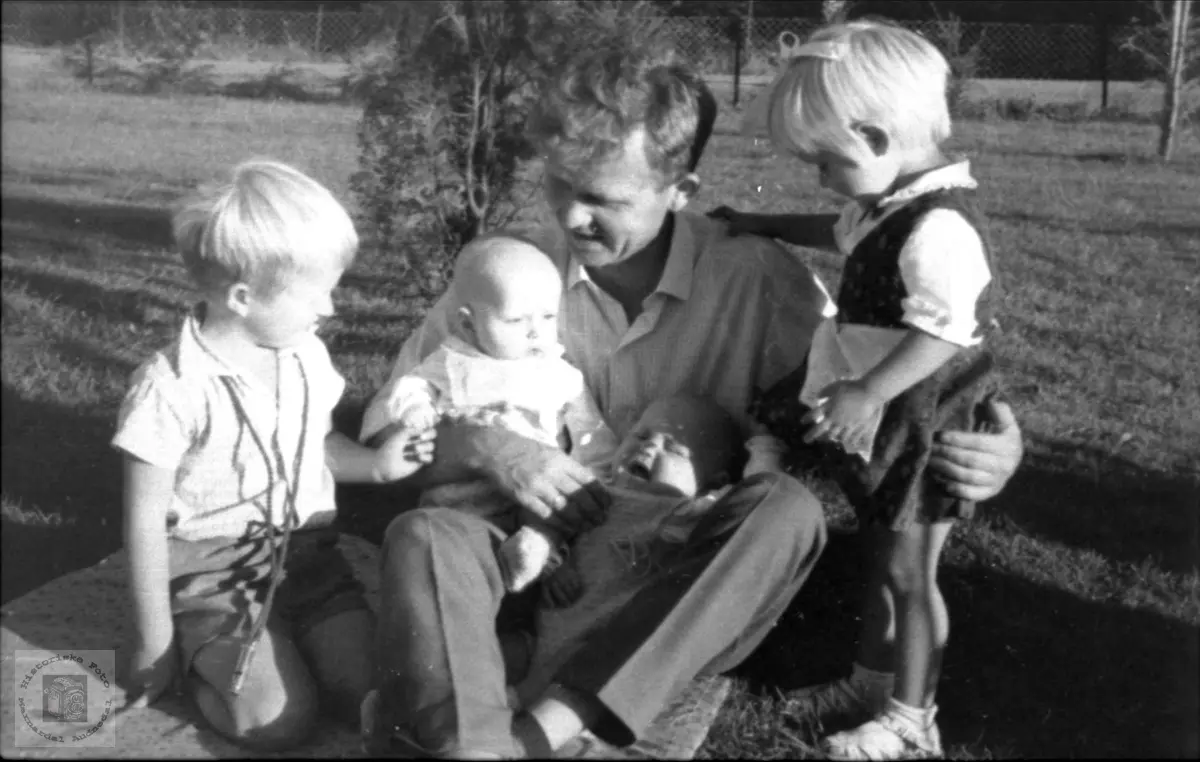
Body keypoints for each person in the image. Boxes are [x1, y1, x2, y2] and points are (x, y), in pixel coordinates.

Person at [361, 37, 1024, 759]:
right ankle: (476, 743)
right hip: (520, 544)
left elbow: (902, 364)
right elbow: (389, 416)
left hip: (668, 573)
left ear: (682, 191)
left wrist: (999, 443)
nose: (571, 219)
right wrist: (486, 447)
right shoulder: (510, 273)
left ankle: (545, 726)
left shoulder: (757, 280)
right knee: (425, 536)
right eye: (559, 186)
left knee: (785, 513)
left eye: (603, 200)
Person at [712, 21, 1002, 760]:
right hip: (888, 416)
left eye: (827, 162)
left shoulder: (940, 227)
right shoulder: (888, 203)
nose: (821, 179)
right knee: (881, 557)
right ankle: (874, 681)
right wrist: (756, 222)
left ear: (877, 136)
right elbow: (838, 229)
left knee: (912, 573)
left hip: (920, 421)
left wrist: (870, 390)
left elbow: (947, 331)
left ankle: (914, 719)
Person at [112, 160, 435, 751]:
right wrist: (151, 644)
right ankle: (200, 657)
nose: (332, 310)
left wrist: (379, 467)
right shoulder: (169, 388)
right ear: (242, 296)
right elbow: (142, 522)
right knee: (278, 722)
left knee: (376, 689)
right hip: (215, 575)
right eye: (319, 293)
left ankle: (280, 648)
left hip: (307, 561)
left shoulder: (304, 353)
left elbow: (315, 447)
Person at [360, 232, 619, 597]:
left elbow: (589, 429)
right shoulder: (454, 361)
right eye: (515, 321)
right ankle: (500, 571)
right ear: (469, 324)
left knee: (549, 509)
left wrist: (594, 472)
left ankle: (543, 553)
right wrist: (415, 408)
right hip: (464, 493)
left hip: (535, 489)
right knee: (449, 533)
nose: (534, 332)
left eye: (547, 317)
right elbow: (411, 387)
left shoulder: (558, 373)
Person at [519, 394, 786, 706]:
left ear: (715, 480)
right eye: (641, 435)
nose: (648, 447)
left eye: (672, 449)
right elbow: (540, 512)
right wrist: (553, 563)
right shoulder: (597, 490)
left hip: (606, 650)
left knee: (571, 693)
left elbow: (761, 495)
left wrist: (763, 443)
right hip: (542, 634)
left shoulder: (696, 511)